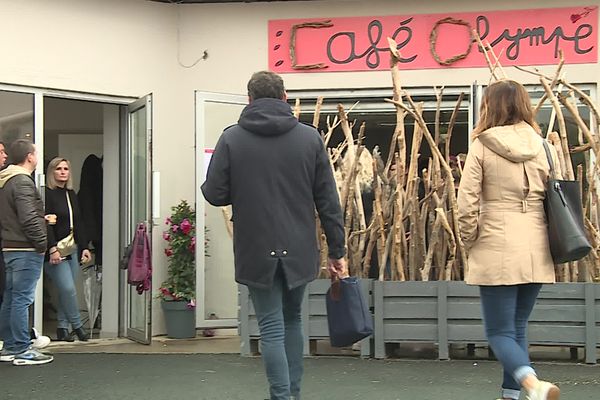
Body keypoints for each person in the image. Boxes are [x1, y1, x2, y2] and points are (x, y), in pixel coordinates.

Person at [202, 71, 346, 400]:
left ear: (249, 100)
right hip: (298, 246)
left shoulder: (232, 138)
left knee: (270, 325)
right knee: (293, 319)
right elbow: (328, 200)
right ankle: (292, 394)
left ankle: (281, 397)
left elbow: (215, 193)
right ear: (285, 97)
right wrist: (337, 251)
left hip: (255, 245)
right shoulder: (310, 138)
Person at [457, 80, 561, 400]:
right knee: (516, 328)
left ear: (490, 106)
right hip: (537, 246)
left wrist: (469, 239)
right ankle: (511, 394)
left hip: (496, 243)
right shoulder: (544, 146)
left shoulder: (482, 145)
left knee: (499, 332)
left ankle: (532, 384)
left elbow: (467, 202)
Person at [0, 139, 53, 365]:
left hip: (10, 247)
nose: (37, 157)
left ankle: (10, 346)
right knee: (21, 299)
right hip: (25, 248)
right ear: (29, 157)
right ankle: (23, 350)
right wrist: (42, 244)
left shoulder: (6, 180)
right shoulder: (22, 181)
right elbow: (28, 217)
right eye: (35, 153)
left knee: (11, 298)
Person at [44, 157, 91, 342]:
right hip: (56, 249)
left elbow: (79, 222)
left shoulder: (71, 194)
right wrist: (52, 248)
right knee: (68, 289)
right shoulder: (47, 194)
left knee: (67, 290)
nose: (63, 172)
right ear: (52, 172)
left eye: (66, 169)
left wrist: (84, 247)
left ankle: (63, 328)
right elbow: (46, 224)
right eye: (58, 169)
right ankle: (78, 325)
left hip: (72, 247)